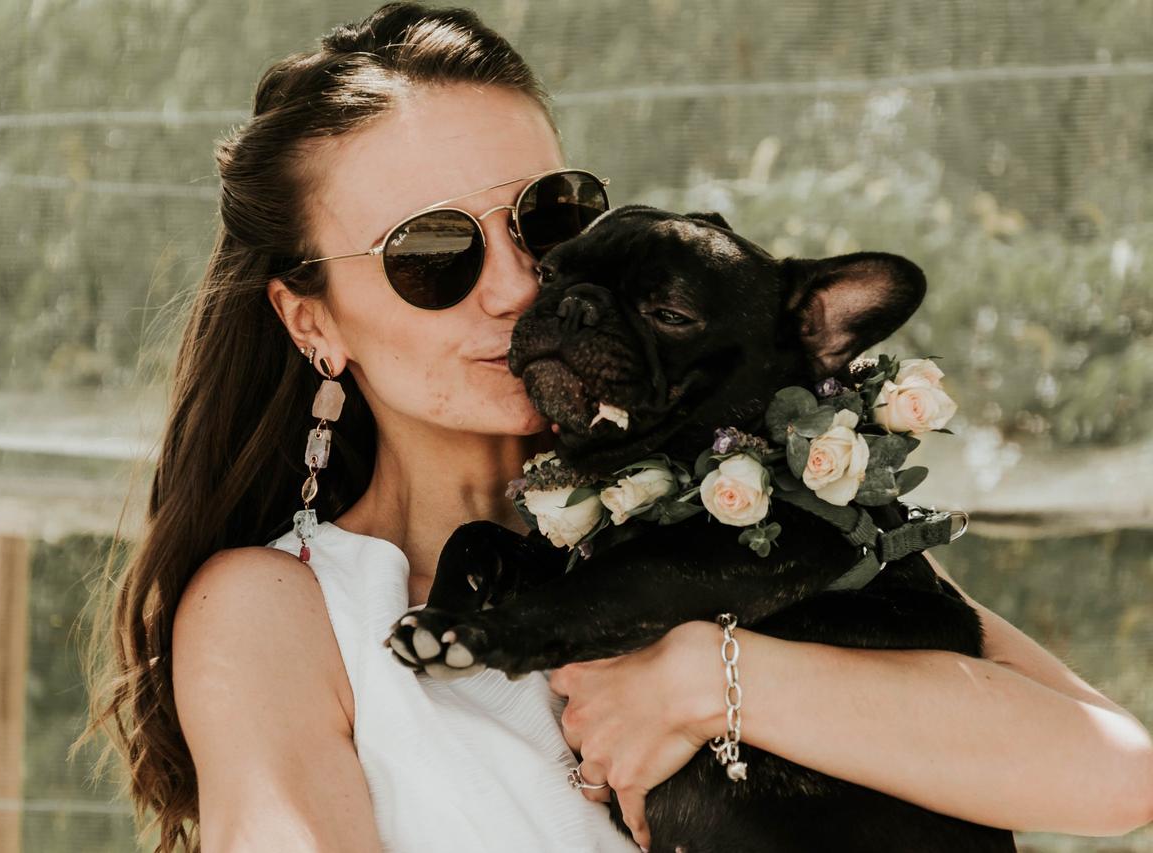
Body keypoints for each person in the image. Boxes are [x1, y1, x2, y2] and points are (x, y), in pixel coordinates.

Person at [76, 3, 1153, 852]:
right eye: (432, 255)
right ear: (311, 319)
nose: (510, 287)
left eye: (545, 218)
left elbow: (1111, 773)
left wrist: (702, 675)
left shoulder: (741, 499)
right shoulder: (281, 608)